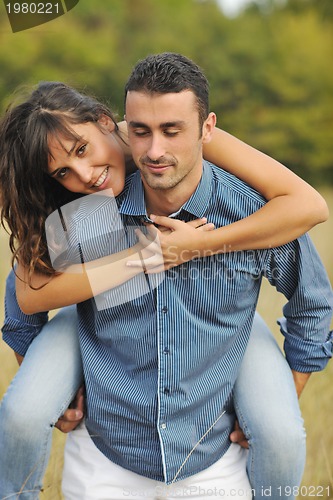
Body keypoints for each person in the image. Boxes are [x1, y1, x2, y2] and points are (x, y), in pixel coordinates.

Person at [0, 69, 330, 499]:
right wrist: (146, 256)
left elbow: (309, 213)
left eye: (169, 131)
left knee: (281, 430)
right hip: (95, 314)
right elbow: (25, 294)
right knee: (22, 412)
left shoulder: (213, 178)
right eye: (62, 171)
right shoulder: (87, 209)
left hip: (227, 320)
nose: (83, 173)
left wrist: (201, 245)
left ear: (107, 122)